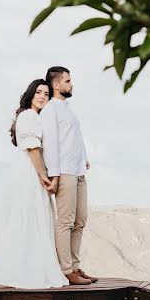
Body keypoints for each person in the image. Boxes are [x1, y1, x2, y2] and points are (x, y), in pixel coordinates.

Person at [0, 79, 69, 289]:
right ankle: (27, 270)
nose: (43, 96)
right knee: (31, 215)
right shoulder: (28, 115)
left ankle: (30, 266)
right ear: (30, 95)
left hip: (29, 169)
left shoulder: (35, 117)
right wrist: (43, 174)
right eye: (38, 92)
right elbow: (32, 148)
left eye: (46, 93)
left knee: (33, 216)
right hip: (29, 171)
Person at [41, 66, 98, 286]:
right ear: (56, 84)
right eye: (67, 81)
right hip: (64, 172)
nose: (71, 84)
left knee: (80, 219)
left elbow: (76, 138)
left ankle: (75, 266)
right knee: (65, 221)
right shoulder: (51, 110)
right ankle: (66, 270)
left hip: (78, 171)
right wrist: (54, 174)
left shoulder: (69, 110)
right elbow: (51, 144)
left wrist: (83, 158)